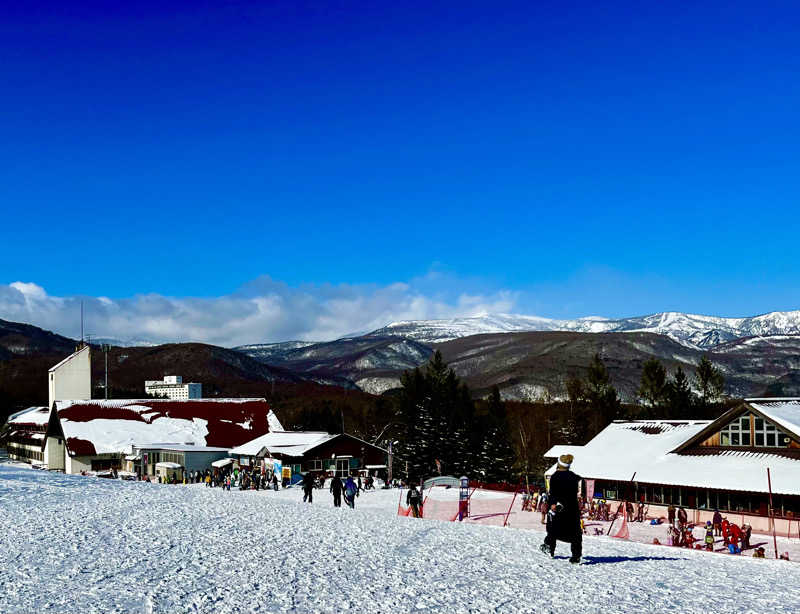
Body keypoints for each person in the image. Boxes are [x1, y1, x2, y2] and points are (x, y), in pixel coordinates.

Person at [539, 454, 582, 564]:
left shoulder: (555, 477)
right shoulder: (574, 477)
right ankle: (576, 556)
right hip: (572, 507)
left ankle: (549, 548)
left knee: (553, 528)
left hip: (559, 507)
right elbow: (576, 491)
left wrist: (552, 504)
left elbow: (553, 493)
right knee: (575, 532)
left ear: (559, 464)